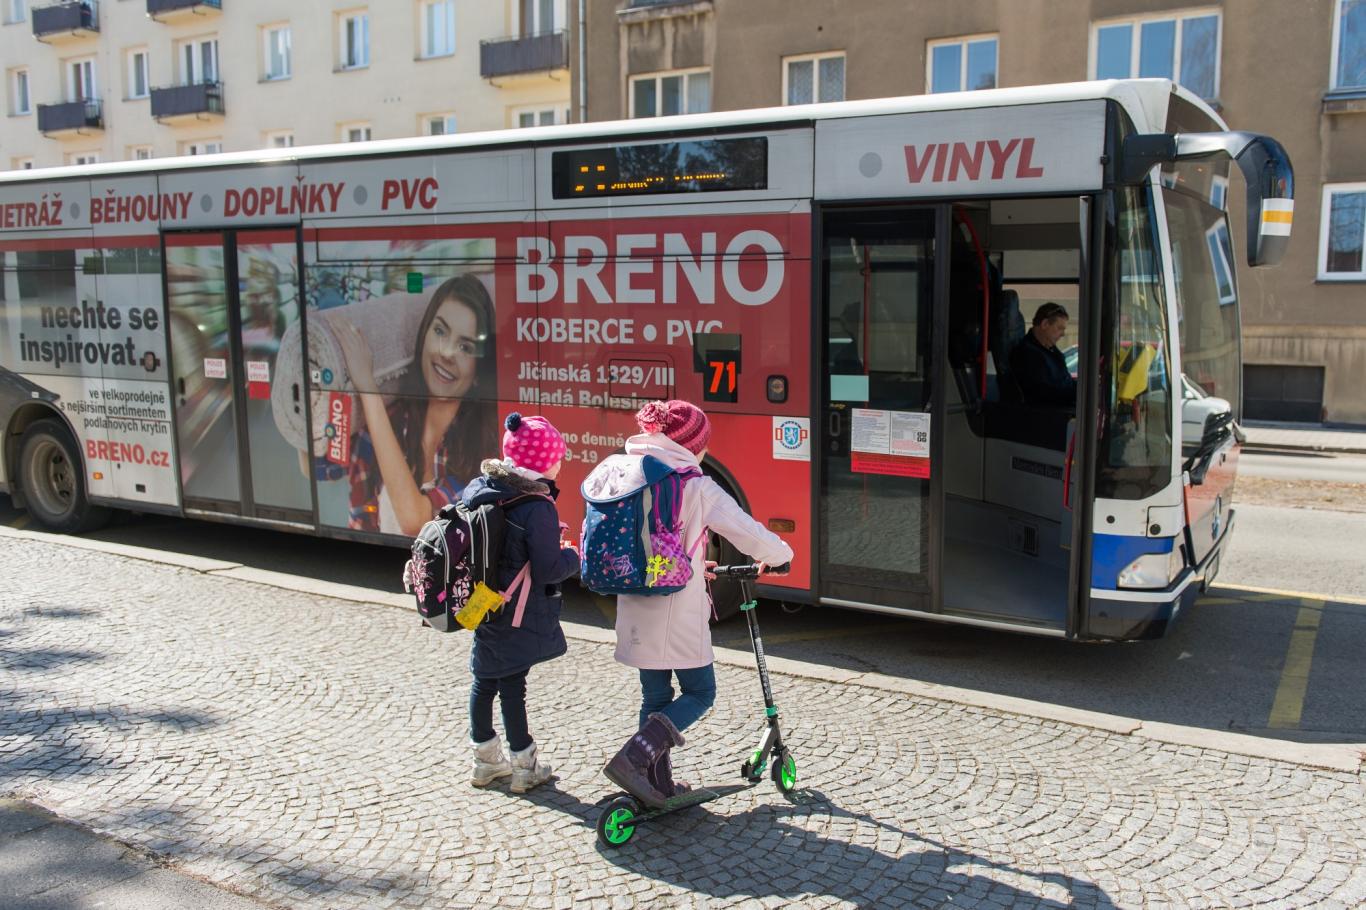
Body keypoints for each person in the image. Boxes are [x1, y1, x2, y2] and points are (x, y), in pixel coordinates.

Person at [591, 400, 794, 808]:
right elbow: (745, 529)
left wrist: (697, 561)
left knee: (655, 697)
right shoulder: (694, 485)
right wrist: (781, 555)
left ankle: (655, 784)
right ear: (691, 445)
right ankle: (635, 757)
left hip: (634, 599)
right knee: (700, 692)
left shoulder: (629, 471)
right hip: (676, 610)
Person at [461, 413, 580, 793]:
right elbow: (548, 569)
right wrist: (573, 556)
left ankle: (485, 763)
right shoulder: (537, 505)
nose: (560, 465)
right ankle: (524, 767)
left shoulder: (484, 488)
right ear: (542, 462)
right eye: (557, 458)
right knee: (513, 685)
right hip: (516, 609)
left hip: (484, 601)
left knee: (483, 681)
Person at [329, 274, 497, 536]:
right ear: (423, 336)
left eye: (465, 347)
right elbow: (318, 467)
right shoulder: (390, 420)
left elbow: (415, 522)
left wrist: (367, 387)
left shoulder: (481, 454)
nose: (447, 353)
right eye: (440, 331)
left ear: (478, 371)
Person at [1010, 301, 1076, 407]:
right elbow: (1049, 393)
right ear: (1045, 324)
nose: (1063, 334)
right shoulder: (1028, 355)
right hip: (1049, 413)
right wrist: (1081, 393)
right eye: (1060, 328)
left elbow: (1064, 382)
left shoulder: (1049, 349)